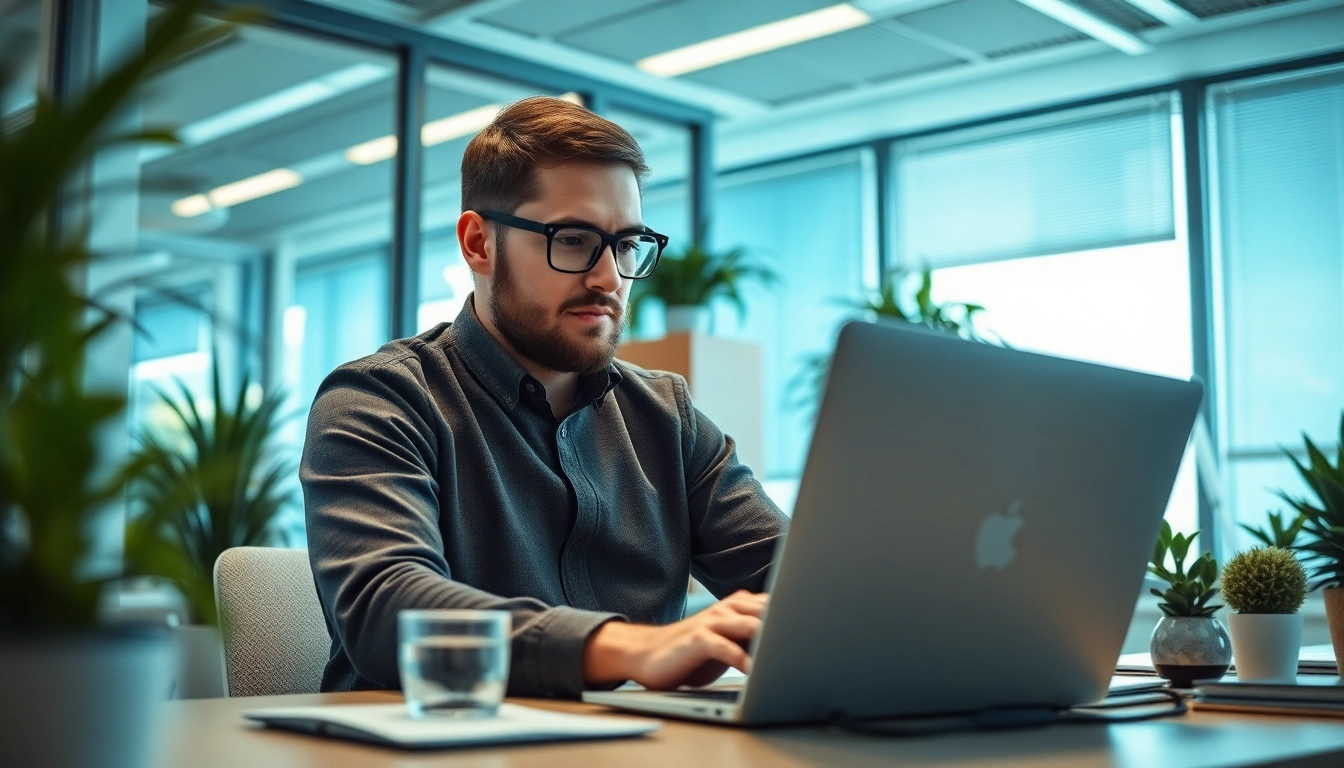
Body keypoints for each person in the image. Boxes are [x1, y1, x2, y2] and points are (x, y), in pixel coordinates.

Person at [301, 96, 787, 699]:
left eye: (627, 244)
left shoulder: (668, 416)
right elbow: (387, 607)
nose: (609, 277)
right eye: (574, 239)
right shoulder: (381, 400)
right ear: (479, 244)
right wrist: (633, 647)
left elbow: (796, 585)